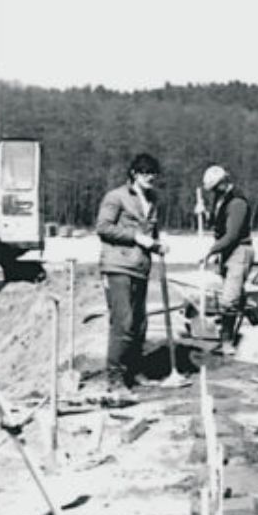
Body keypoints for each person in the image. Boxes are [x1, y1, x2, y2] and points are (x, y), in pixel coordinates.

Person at [95, 153, 165, 398]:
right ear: (134, 173)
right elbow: (103, 227)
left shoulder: (152, 199)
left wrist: (157, 244)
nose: (150, 178)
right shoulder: (116, 197)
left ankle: (134, 371)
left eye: (153, 174)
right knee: (122, 323)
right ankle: (114, 378)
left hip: (140, 267)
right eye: (146, 173)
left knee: (139, 323)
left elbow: (150, 232)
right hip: (118, 266)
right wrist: (135, 237)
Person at [199, 165, 254, 355]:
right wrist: (204, 213)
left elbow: (232, 234)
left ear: (223, 182)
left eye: (215, 187)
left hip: (239, 250)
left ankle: (227, 342)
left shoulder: (237, 202)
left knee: (229, 299)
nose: (213, 191)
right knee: (236, 296)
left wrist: (210, 251)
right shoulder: (220, 199)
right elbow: (217, 224)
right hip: (227, 252)